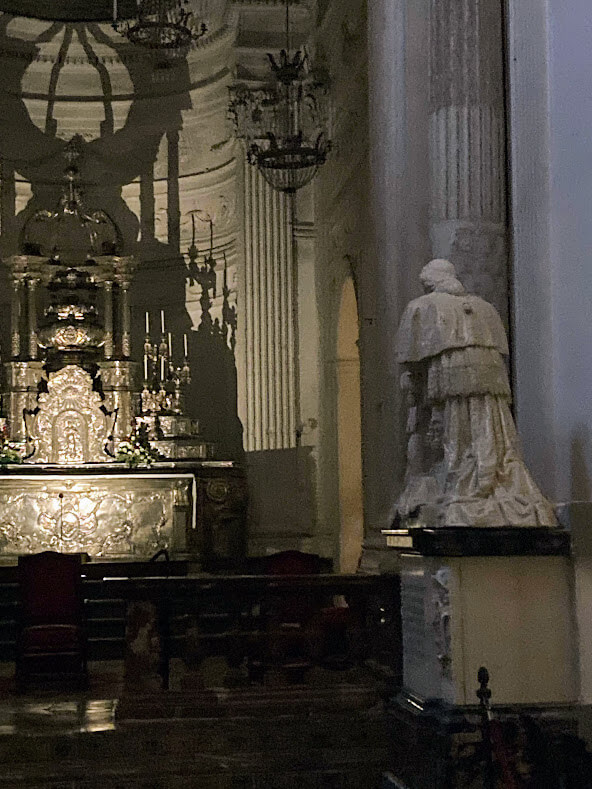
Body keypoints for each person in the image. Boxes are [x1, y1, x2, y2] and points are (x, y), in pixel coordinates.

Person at [394, 258, 556, 527]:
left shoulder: (423, 306)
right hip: (489, 378)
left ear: (430, 282)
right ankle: (485, 475)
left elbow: (410, 361)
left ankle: (464, 478)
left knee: (455, 430)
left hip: (449, 377)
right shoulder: (485, 309)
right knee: (491, 429)